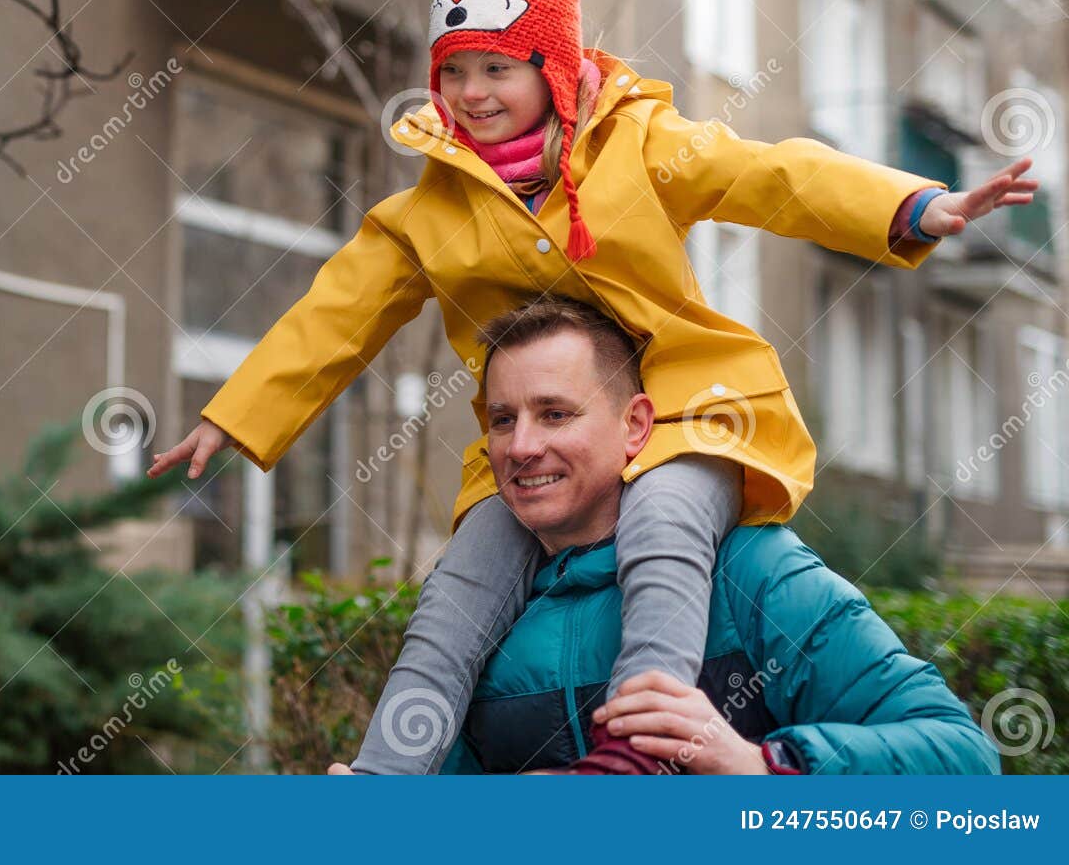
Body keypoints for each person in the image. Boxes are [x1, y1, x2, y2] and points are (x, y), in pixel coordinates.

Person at [148, 0, 1035, 773]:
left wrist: (912, 207)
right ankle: (385, 778)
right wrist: (236, 415)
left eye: (497, 67)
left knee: (664, 523)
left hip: (685, 411)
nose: (472, 91)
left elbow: (770, 175)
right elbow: (335, 313)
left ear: (553, 69)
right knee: (457, 597)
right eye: (453, 72)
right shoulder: (429, 209)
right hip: (543, 415)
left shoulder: (639, 146)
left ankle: (641, 739)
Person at [350, 297, 999, 775]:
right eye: (502, 419)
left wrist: (757, 765)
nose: (522, 446)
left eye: (555, 414)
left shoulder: (754, 572)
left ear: (636, 426)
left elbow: (963, 760)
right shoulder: (479, 614)